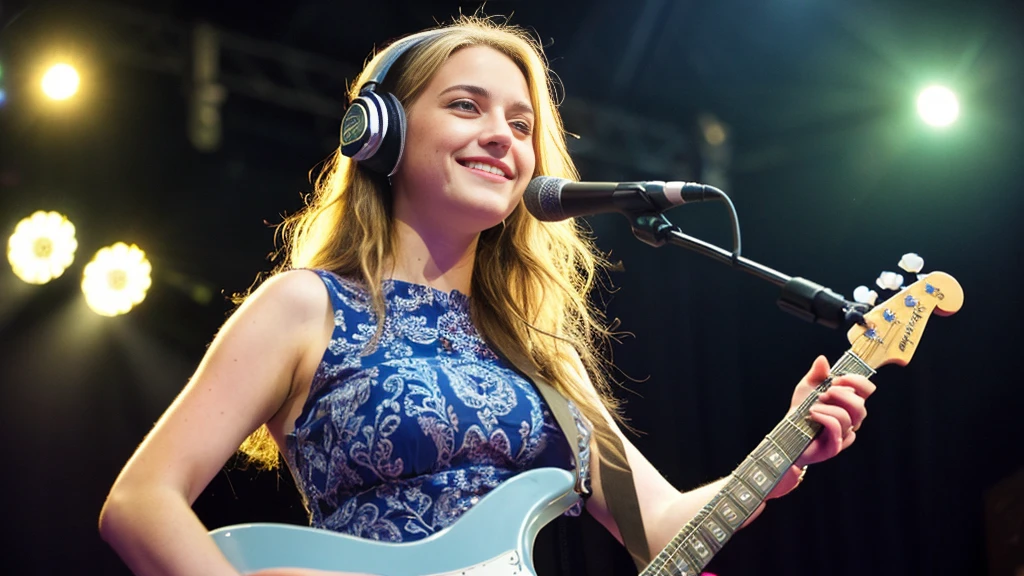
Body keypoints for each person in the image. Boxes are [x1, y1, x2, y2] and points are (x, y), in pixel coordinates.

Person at [98, 14, 875, 576]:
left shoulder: (539, 355)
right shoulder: (306, 306)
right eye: (466, 106)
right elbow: (141, 502)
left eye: (522, 122)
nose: (504, 135)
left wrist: (783, 451)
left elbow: (660, 526)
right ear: (382, 136)